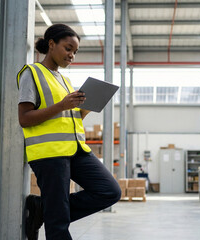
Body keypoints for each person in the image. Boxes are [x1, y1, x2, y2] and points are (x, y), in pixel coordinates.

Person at [17, 23, 121, 240]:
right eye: (68, 48)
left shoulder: (65, 81)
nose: (72, 55)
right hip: (50, 154)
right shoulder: (32, 73)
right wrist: (62, 106)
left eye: (75, 51)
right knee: (58, 226)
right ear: (51, 44)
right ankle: (51, 212)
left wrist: (85, 109)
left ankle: (43, 209)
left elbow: (68, 118)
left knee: (110, 191)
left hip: (76, 150)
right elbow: (24, 118)